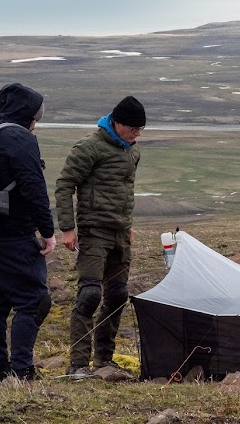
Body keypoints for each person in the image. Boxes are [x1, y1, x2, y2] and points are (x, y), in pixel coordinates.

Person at [0, 82, 56, 383]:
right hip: (13, 235)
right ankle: (22, 371)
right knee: (33, 301)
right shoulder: (19, 139)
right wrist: (48, 231)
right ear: (29, 113)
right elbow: (34, 189)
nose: (37, 122)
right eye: (37, 115)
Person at [55, 95, 146, 378]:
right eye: (133, 129)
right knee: (90, 295)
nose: (137, 134)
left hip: (120, 234)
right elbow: (64, 184)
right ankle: (78, 365)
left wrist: (126, 224)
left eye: (140, 130)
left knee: (118, 295)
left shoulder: (133, 152)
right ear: (117, 123)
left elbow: (124, 191)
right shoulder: (89, 148)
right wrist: (68, 229)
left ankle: (104, 360)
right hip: (94, 232)